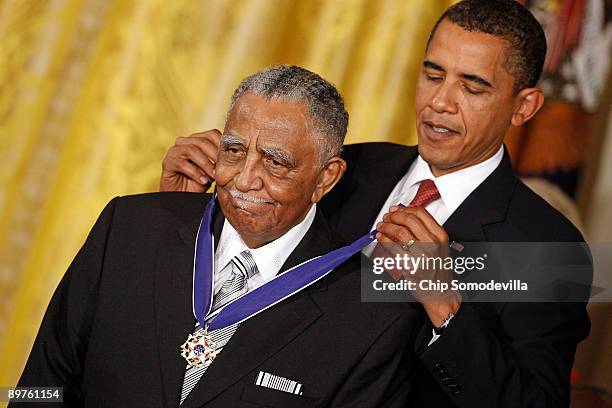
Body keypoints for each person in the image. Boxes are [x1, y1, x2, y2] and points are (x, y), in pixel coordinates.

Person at [159, 1, 592, 406]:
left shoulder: (549, 247)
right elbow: (245, 282)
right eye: (433, 75)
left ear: (524, 107)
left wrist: (447, 309)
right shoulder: (343, 168)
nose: (440, 103)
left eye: (472, 87)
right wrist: (186, 214)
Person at [15, 66, 422, 407]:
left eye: (276, 162)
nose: (244, 179)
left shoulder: (370, 318)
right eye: (234, 150)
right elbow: (42, 384)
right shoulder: (129, 227)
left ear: (325, 178)